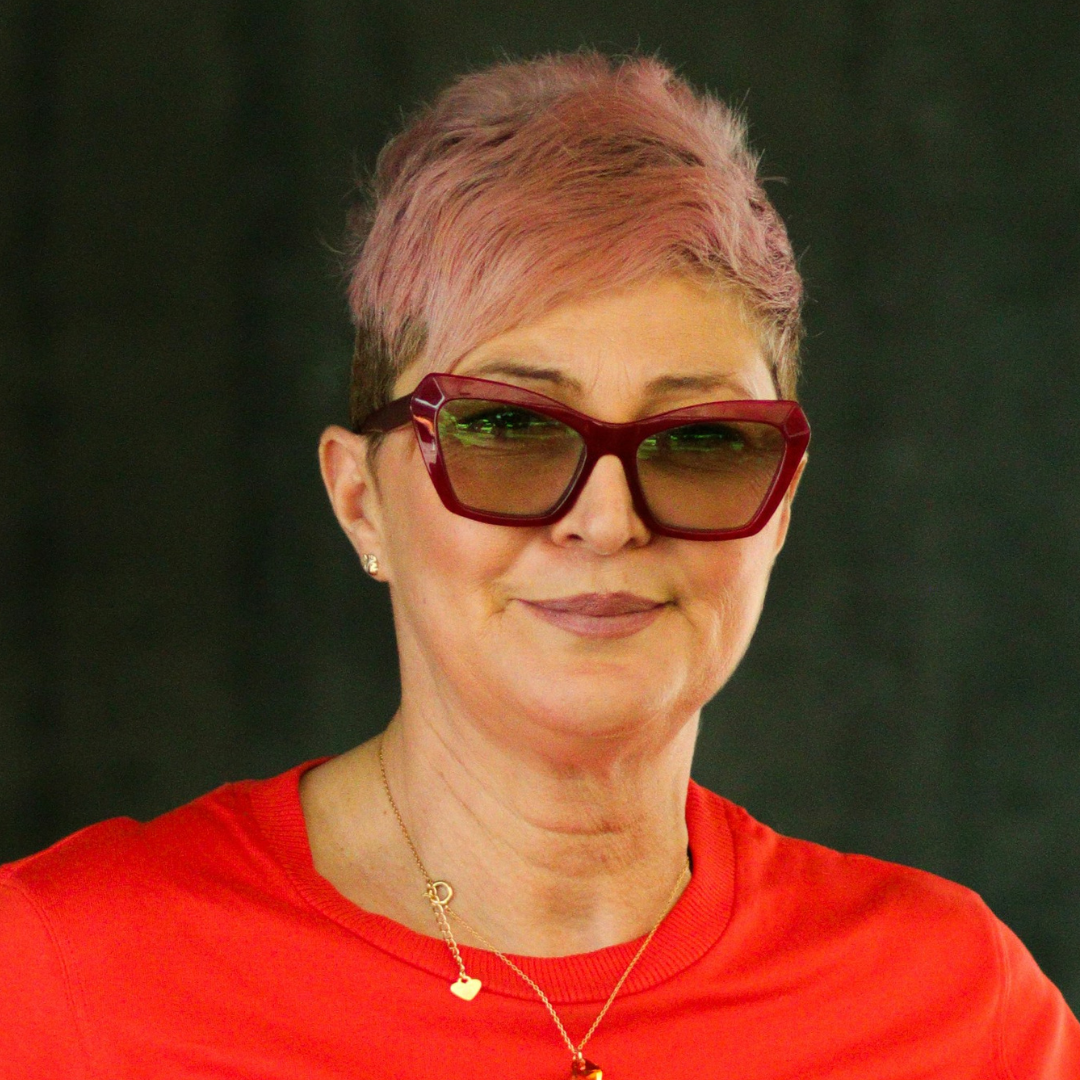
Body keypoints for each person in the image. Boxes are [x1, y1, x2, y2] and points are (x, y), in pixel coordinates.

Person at [1, 50, 1076, 1080]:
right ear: (360, 497)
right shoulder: (60, 970)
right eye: (508, 430)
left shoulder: (954, 1007)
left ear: (780, 507)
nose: (607, 522)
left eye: (702, 440)